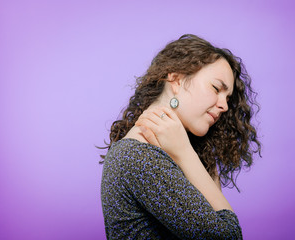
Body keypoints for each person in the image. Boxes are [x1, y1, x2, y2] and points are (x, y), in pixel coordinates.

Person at [100, 34, 262, 239]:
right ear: (176, 80)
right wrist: (185, 153)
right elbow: (228, 237)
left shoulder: (176, 152)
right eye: (216, 88)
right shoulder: (138, 156)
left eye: (228, 98)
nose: (225, 105)